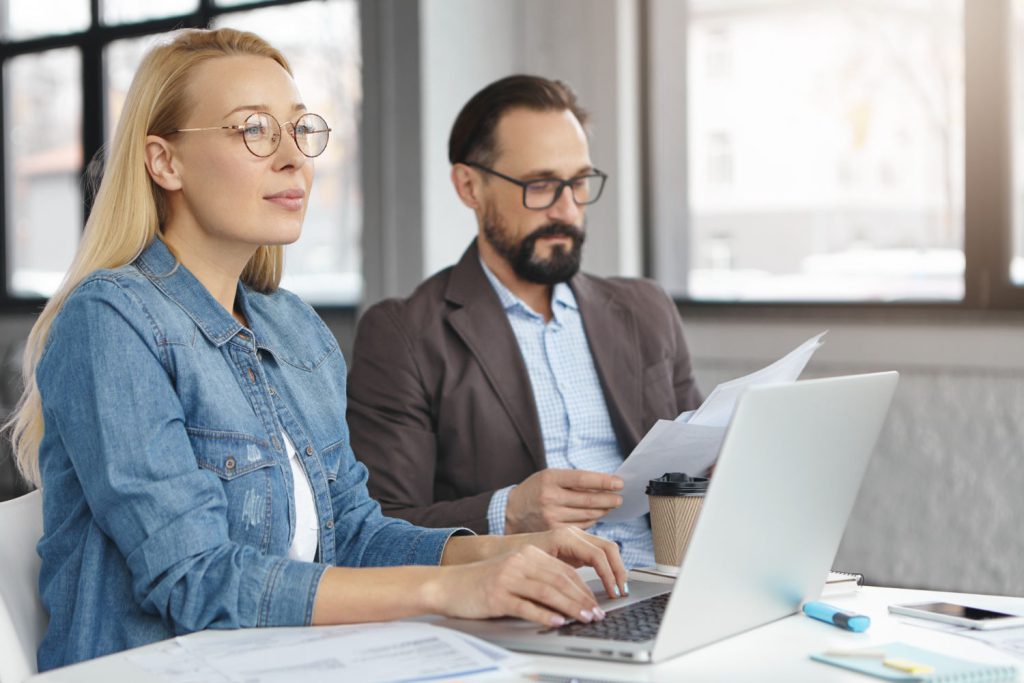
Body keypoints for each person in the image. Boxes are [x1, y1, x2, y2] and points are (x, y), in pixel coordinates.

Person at [6, 31, 627, 672]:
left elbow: (352, 532)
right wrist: (451, 587)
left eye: (300, 131)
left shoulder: (292, 325)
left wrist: (499, 553)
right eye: (254, 130)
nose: (294, 160)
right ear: (165, 163)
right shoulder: (110, 319)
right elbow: (196, 581)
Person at [347, 75, 702, 570]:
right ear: (469, 186)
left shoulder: (645, 310)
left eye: (578, 183)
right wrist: (508, 512)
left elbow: (703, 464)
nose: (567, 209)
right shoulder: (405, 334)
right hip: (525, 592)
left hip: (664, 579)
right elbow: (379, 528)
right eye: (540, 186)